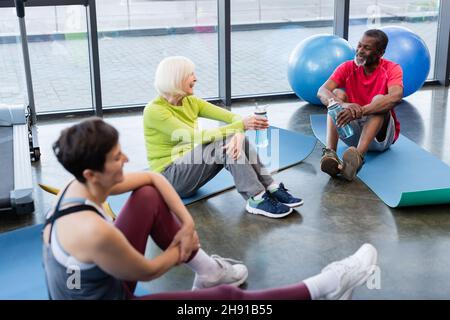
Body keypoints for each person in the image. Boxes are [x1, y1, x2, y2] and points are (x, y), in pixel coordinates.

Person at [43, 118, 378, 300]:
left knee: (145, 194)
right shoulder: (92, 232)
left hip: (104, 285)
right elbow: (146, 272)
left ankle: (208, 269)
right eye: (117, 157)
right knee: (229, 300)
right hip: (119, 290)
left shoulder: (79, 187)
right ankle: (328, 285)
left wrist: (187, 225)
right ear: (91, 172)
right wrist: (179, 252)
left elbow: (151, 180)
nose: (126, 159)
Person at [143, 56, 304, 219]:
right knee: (221, 146)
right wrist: (240, 127)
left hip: (188, 172)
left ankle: (271, 187)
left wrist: (239, 134)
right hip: (169, 179)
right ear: (175, 78)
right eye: (190, 74)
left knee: (233, 141)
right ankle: (256, 198)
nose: (196, 78)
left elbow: (233, 118)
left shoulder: (191, 102)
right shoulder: (155, 111)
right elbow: (197, 137)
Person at [317, 29, 404, 181]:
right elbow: (322, 91)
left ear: (380, 53)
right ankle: (330, 153)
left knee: (379, 100)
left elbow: (395, 96)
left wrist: (361, 110)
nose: (360, 51)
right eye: (359, 45)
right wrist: (345, 105)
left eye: (367, 48)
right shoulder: (347, 67)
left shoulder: (392, 68)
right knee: (336, 95)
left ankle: (357, 158)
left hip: (380, 137)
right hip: (352, 133)